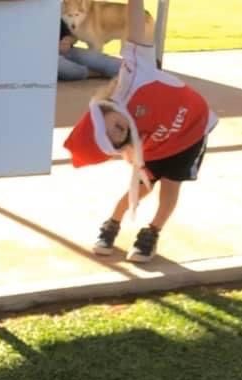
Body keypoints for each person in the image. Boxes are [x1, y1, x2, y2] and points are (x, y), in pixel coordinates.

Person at [63, 0, 217, 262]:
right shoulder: (129, 140)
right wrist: (131, 151)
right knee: (142, 186)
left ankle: (152, 232)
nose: (119, 134)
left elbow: (135, 23)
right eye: (116, 141)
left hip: (191, 130)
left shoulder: (134, 75)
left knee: (171, 186)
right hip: (155, 145)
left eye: (113, 128)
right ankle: (113, 222)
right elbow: (128, 152)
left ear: (105, 109)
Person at [58, 19, 120, 83]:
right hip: (52, 59)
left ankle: (124, 71)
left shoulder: (54, 16)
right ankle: (95, 73)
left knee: (102, 60)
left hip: (67, 50)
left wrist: (68, 40)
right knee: (66, 69)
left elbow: (71, 36)